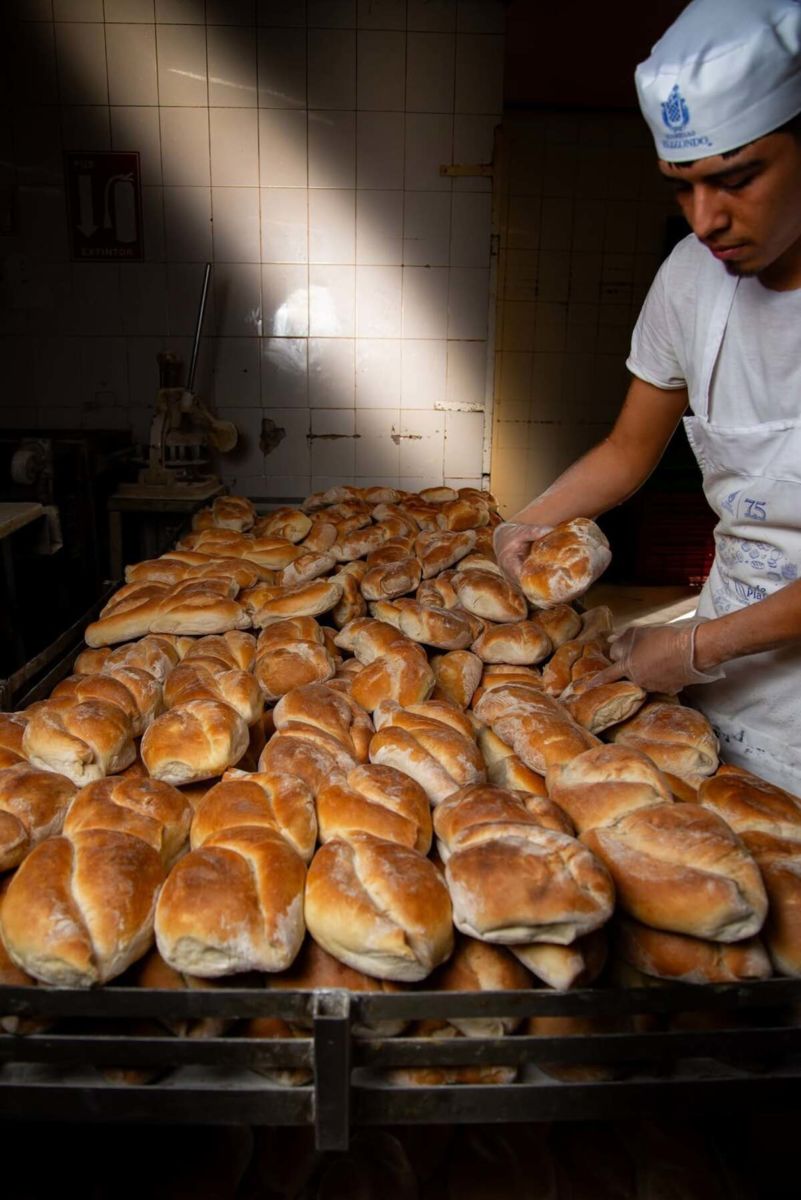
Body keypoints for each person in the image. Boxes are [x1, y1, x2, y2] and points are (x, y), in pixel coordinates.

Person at [494, 0, 801, 795]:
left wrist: (698, 645)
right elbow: (628, 451)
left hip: (732, 652)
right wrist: (524, 524)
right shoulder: (690, 281)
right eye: (681, 188)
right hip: (724, 681)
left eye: (737, 179)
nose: (706, 220)